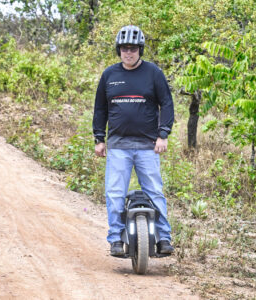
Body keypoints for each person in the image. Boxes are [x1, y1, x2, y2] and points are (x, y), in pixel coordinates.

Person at [93, 25, 174, 256]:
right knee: (114, 193)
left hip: (148, 145)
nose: (128, 53)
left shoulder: (153, 73)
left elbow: (167, 104)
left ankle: (164, 239)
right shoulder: (110, 75)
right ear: (119, 50)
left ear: (140, 50)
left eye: (133, 49)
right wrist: (99, 138)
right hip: (118, 145)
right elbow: (100, 108)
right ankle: (116, 239)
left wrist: (163, 134)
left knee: (155, 192)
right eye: (124, 49)